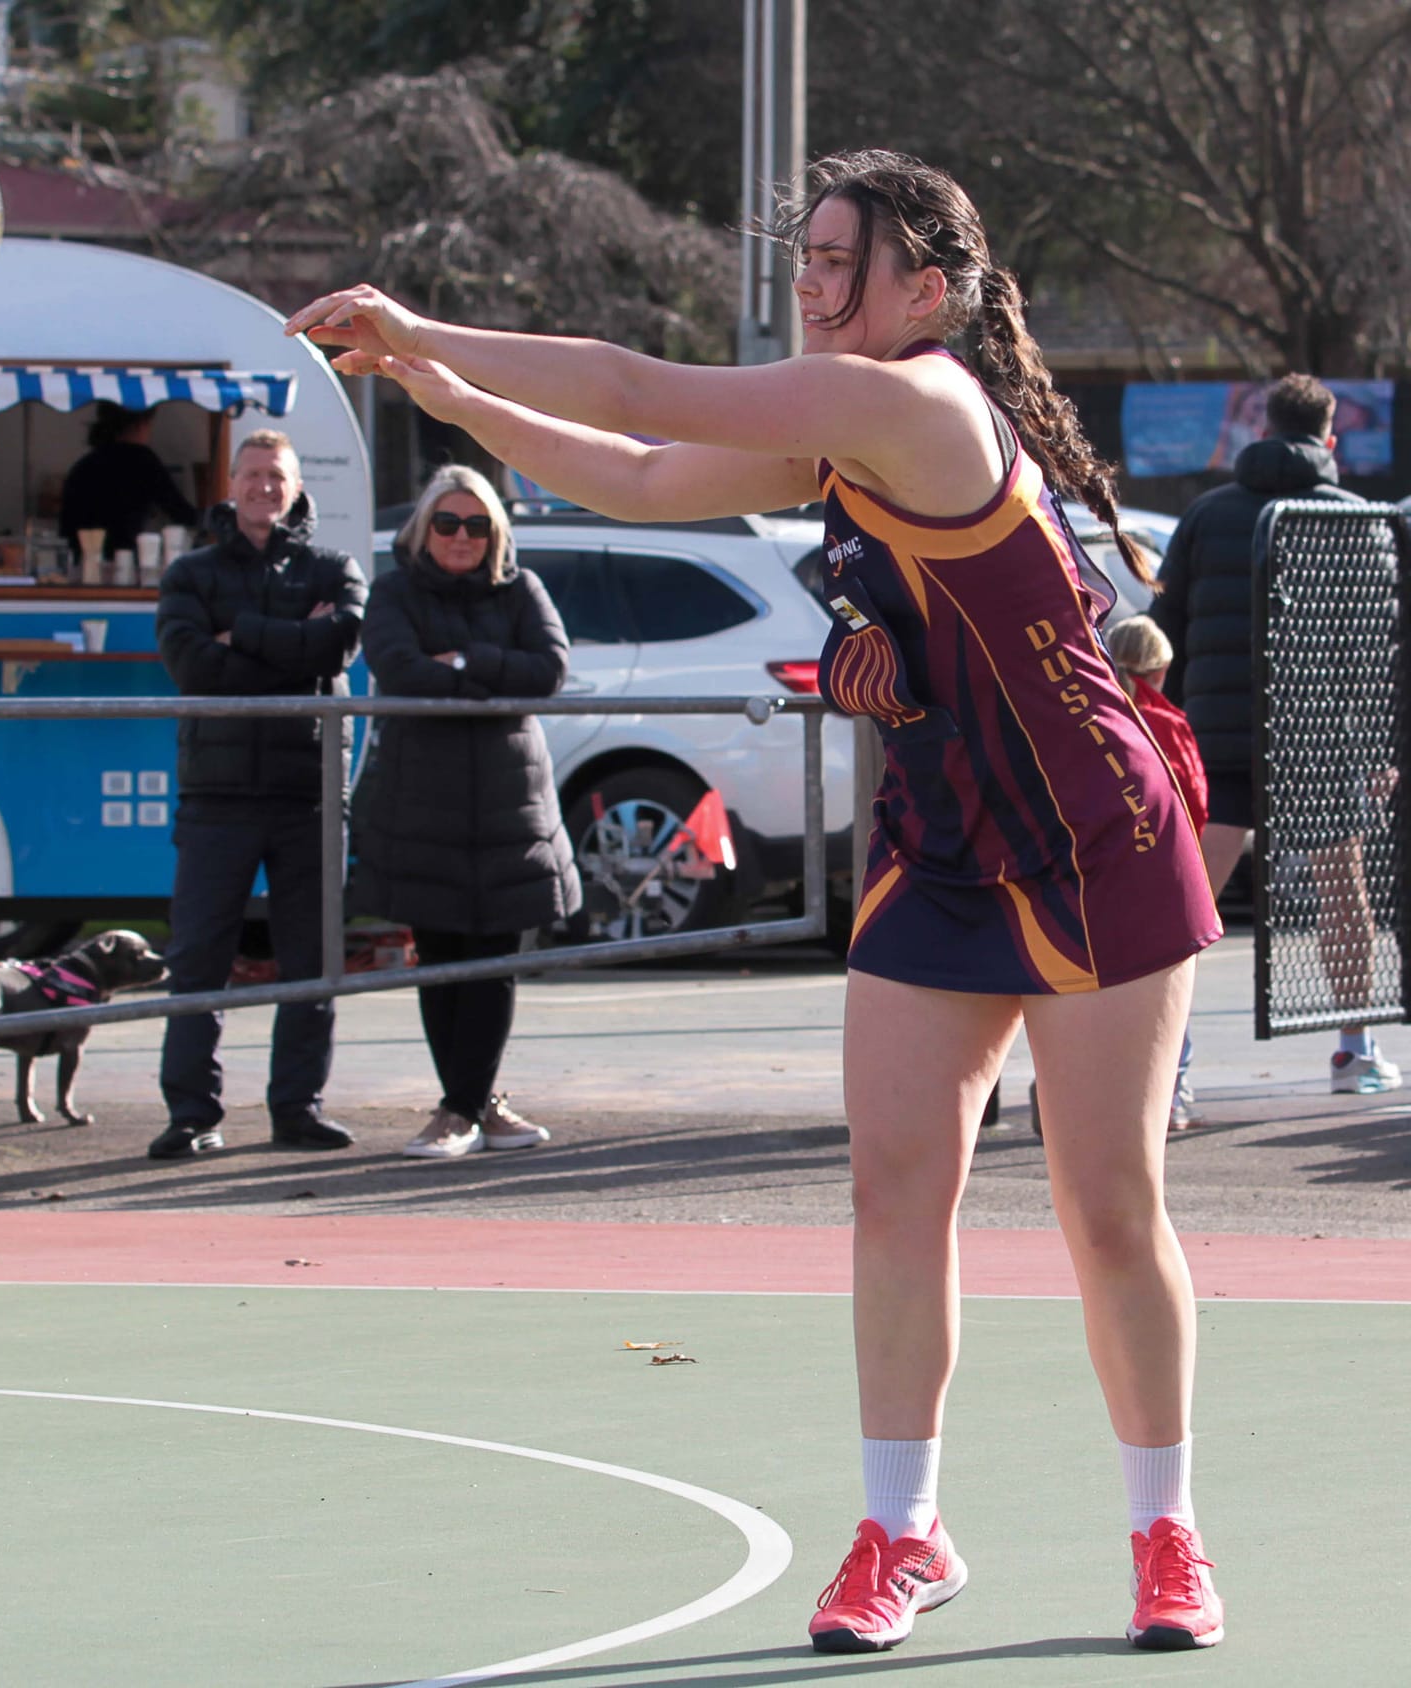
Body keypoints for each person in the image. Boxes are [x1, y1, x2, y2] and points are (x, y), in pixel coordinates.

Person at [287, 147, 1226, 1654]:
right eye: (808, 254)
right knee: (892, 1192)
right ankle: (903, 1532)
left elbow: (639, 388)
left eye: (840, 257)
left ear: (927, 291)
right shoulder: (838, 429)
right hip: (945, 842)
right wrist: (441, 392)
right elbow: (648, 477)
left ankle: (1167, 1535)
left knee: (1107, 1208)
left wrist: (431, 330)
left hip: (1096, 833)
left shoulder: (906, 400)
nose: (810, 278)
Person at [1152, 374, 1400, 1095]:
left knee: (1185, 905)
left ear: (1260, 431)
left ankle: (1172, 1066)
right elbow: (1378, 650)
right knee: (1343, 894)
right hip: (1319, 740)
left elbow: (1167, 635)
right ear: (1330, 438)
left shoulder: (1205, 514)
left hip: (1215, 740)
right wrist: (1381, 749)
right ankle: (1353, 1049)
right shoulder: (1358, 518)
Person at [351, 465, 583, 1159]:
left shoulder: (523, 588)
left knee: (494, 958)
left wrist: (461, 661)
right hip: (422, 800)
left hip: (510, 801)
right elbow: (397, 669)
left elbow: (548, 669)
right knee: (442, 953)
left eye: (476, 525)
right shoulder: (393, 591)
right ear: (424, 529)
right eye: (448, 523)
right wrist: (488, 673)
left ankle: (463, 1109)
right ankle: (469, 1106)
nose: (461, 536)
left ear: (495, 533)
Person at [150, 429, 368, 1160]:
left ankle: (297, 1109)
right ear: (230, 483)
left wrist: (238, 632)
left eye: (276, 476)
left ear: (296, 486)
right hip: (216, 796)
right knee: (198, 962)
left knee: (311, 964)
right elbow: (193, 667)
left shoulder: (334, 568)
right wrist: (285, 645)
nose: (263, 488)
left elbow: (335, 648)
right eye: (251, 475)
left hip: (308, 793)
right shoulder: (190, 574)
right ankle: (191, 1113)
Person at [1106, 614, 1208, 1130]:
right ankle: (1170, 1095)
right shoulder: (1167, 723)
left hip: (1103, 875)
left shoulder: (1095, 715)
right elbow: (1194, 801)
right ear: (1161, 670)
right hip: (1162, 874)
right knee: (1169, 996)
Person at [58, 402, 201, 561]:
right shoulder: (143, 460)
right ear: (141, 424)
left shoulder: (84, 466)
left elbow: (65, 527)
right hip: (125, 560)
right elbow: (180, 511)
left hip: (81, 561)